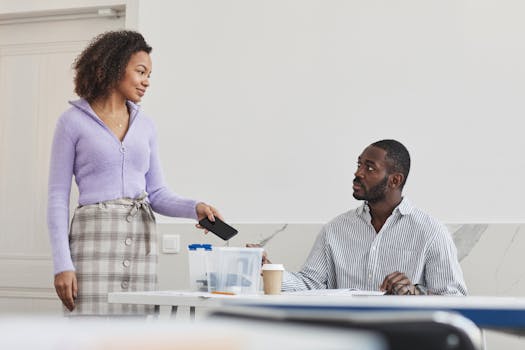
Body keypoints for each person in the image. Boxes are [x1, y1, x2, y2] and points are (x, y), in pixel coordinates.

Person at [47, 30, 222, 315]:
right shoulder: (71, 122)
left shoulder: (146, 126)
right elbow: (57, 197)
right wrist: (62, 264)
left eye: (149, 74)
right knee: (88, 334)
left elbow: (157, 194)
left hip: (140, 243)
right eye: (140, 72)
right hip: (93, 243)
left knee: (135, 334)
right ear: (114, 67)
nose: (147, 82)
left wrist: (196, 208)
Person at [259, 139, 467, 295]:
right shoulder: (336, 229)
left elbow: (454, 298)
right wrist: (267, 267)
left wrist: (415, 293)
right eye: (359, 165)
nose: (358, 173)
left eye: (369, 168)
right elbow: (311, 284)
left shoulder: (430, 231)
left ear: (394, 180)